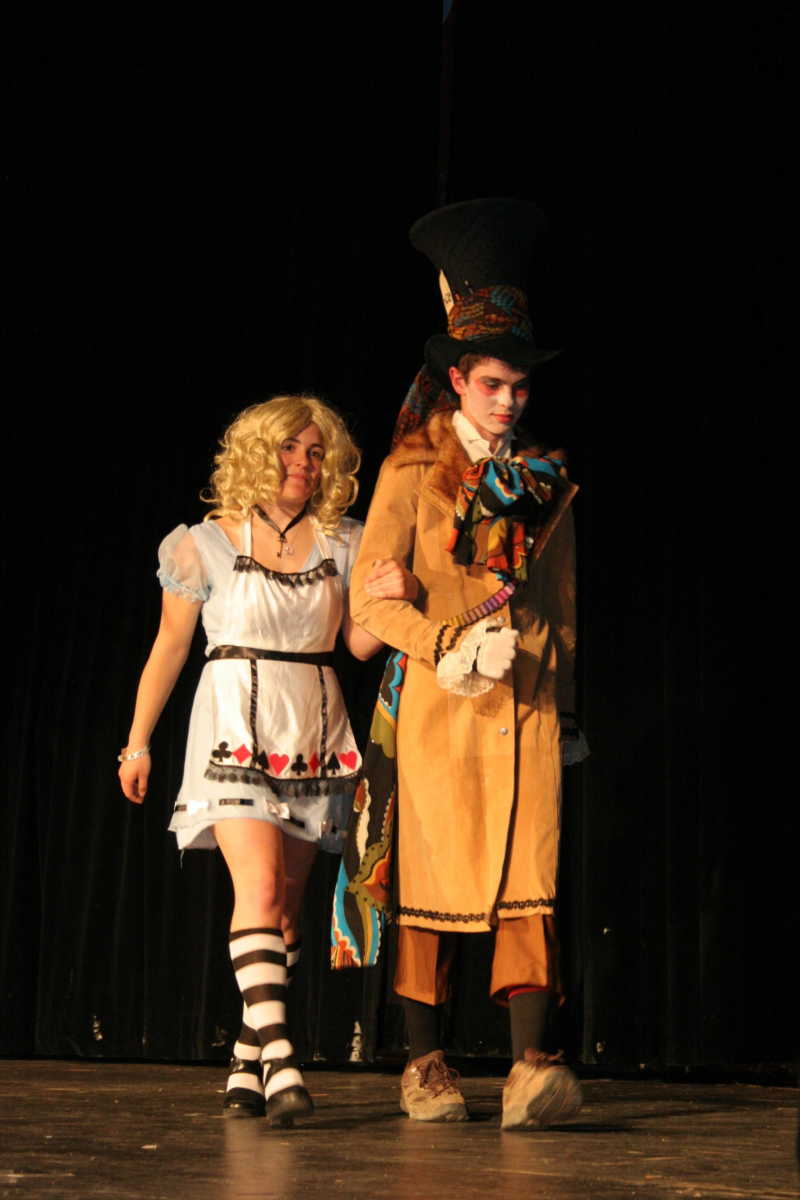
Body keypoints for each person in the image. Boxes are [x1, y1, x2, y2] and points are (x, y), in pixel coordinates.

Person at [339, 198, 585, 1130]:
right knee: (433, 880)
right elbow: (371, 603)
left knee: (531, 871)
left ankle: (530, 1065)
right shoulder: (411, 473)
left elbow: (564, 610)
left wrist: (568, 705)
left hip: (527, 706)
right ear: (458, 381)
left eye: (519, 385)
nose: (509, 401)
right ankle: (425, 1063)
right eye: (492, 384)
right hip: (442, 706)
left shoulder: (546, 481)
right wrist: (447, 642)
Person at [119, 394, 415, 1125]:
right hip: (231, 723)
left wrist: (398, 596)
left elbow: (357, 645)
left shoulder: (344, 542)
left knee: (284, 908)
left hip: (313, 724)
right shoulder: (204, 543)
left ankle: (245, 1062)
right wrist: (138, 741)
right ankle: (282, 1060)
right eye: (290, 448)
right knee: (254, 886)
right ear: (258, 452)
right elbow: (170, 646)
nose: (303, 464)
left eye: (315, 453)